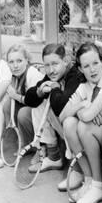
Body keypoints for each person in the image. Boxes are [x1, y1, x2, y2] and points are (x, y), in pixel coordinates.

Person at [59, 43, 102, 203]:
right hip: (97, 137)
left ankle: (99, 185)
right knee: (69, 123)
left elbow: (87, 117)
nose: (92, 69)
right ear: (80, 69)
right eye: (86, 66)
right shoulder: (84, 87)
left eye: (95, 63)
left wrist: (84, 110)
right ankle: (88, 179)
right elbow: (62, 116)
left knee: (83, 125)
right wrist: (82, 105)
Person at [21, 43, 83, 172]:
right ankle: (53, 156)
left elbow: (61, 108)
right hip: (65, 122)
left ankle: (77, 168)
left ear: (65, 61)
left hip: (80, 123)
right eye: (47, 65)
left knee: (52, 101)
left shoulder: (75, 75)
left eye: (55, 64)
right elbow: (29, 99)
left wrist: (54, 88)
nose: (50, 70)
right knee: (38, 100)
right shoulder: (53, 75)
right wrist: (39, 91)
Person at [3, 45, 43, 145]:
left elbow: (34, 102)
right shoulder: (14, 75)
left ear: (26, 60)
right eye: (11, 62)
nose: (15, 66)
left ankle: (36, 145)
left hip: (40, 110)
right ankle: (15, 141)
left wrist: (15, 96)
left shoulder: (32, 74)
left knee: (23, 113)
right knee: (7, 106)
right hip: (29, 106)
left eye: (19, 61)